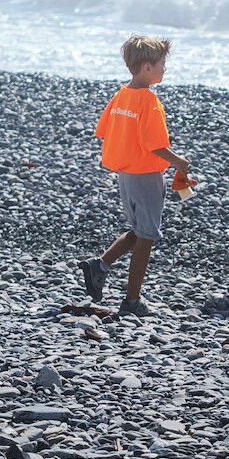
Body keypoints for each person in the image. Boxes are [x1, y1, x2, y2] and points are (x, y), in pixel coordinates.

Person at [79, 35, 190, 318]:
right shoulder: (148, 100)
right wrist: (179, 162)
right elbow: (154, 144)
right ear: (146, 67)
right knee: (147, 235)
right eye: (161, 64)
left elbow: (104, 129)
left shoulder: (121, 95)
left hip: (125, 173)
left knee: (139, 228)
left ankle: (100, 265)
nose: (165, 69)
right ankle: (131, 300)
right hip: (146, 173)